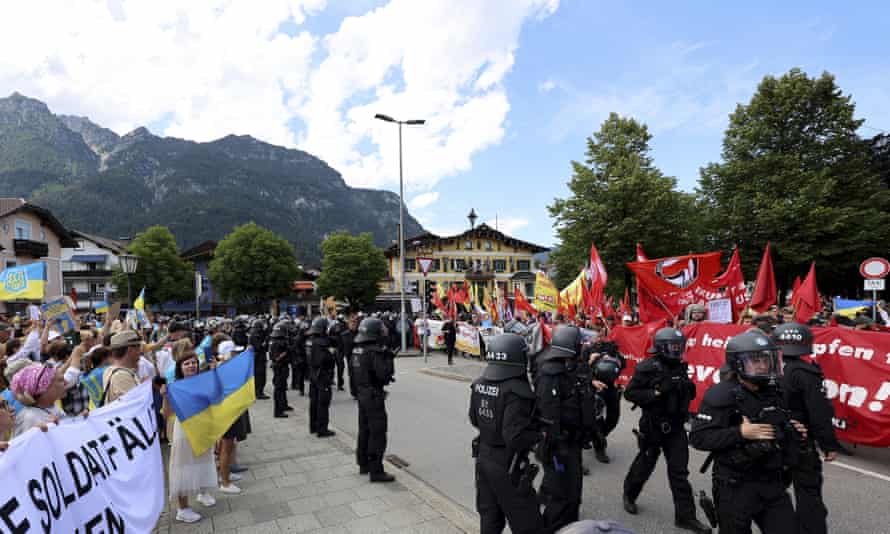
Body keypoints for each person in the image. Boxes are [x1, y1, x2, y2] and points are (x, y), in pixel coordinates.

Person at [690, 331, 805, 534]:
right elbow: (699, 438)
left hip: (772, 482)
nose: (762, 365)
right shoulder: (722, 395)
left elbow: (778, 424)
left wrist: (792, 429)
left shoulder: (775, 390)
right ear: (738, 364)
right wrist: (740, 433)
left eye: (765, 360)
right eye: (755, 360)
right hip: (735, 485)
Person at [623, 328, 710, 534]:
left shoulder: (681, 366)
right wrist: (656, 392)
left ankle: (685, 517)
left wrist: (686, 388)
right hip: (653, 426)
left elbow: (686, 393)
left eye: (680, 346)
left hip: (677, 427)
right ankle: (629, 494)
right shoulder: (647, 367)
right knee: (645, 464)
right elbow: (630, 393)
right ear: (661, 347)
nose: (677, 350)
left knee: (679, 473)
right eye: (673, 347)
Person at [469, 333, 544, 534]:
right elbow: (514, 436)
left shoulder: (478, 384)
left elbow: (474, 419)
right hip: (507, 464)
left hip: (483, 458)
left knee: (490, 518)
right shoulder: (517, 391)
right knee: (528, 523)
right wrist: (539, 435)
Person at [772, 323, 840, 534]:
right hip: (800, 443)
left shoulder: (765, 369)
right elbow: (818, 412)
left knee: (770, 494)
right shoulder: (806, 373)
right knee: (809, 497)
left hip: (772, 439)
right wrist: (828, 444)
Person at [533, 325, 586, 531]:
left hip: (570, 441)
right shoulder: (551, 373)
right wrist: (555, 446)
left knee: (572, 493)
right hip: (559, 445)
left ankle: (569, 527)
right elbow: (548, 413)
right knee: (563, 496)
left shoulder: (566, 367)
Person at [164, 350, 219, 523]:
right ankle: (182, 508)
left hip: (203, 428)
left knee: (203, 460)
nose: (191, 365)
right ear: (180, 367)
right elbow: (167, 413)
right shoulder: (175, 386)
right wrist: (165, 395)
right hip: (184, 431)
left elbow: (216, 398)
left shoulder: (203, 382)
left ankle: (202, 492)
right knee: (183, 467)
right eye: (187, 363)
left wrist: (216, 372)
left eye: (194, 362)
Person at [351, 317, 396, 482]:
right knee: (377, 433)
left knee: (364, 431)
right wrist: (389, 358)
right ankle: (376, 471)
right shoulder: (374, 351)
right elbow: (384, 375)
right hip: (373, 396)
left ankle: (363, 464)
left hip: (362, 393)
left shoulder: (357, 349)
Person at [587, 340, 625, 464]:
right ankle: (599, 446)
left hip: (611, 388)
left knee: (613, 418)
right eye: (596, 328)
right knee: (596, 419)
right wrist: (591, 363)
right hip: (595, 387)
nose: (599, 332)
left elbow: (622, 364)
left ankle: (596, 436)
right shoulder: (587, 349)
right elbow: (578, 369)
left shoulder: (613, 349)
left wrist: (614, 360)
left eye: (601, 327)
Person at [10, 363, 71, 436]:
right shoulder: (31, 418)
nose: (66, 382)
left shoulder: (50, 406)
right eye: (60, 380)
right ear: (43, 388)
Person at [306, 317, 335, 437]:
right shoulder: (321, 342)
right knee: (322, 403)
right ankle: (322, 429)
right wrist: (332, 353)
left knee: (314, 402)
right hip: (322, 375)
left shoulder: (310, 340)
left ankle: (313, 426)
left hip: (313, 374)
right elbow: (323, 359)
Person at [102, 330, 144, 405]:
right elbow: (137, 406)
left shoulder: (109, 370)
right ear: (130, 350)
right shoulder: (121, 376)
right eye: (138, 348)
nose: (140, 352)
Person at [269, 320, 291, 418]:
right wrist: (287, 352)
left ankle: (284, 405)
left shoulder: (274, 341)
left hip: (280, 367)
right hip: (280, 368)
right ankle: (278, 411)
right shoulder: (279, 343)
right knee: (279, 388)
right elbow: (278, 357)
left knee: (282, 387)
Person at [248, 317, 270, 399]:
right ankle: (259, 393)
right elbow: (260, 346)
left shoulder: (252, 333)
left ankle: (257, 391)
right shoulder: (256, 335)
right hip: (259, 357)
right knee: (260, 375)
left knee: (257, 375)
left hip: (256, 358)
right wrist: (265, 341)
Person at [341, 314, 358, 398]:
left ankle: (358, 391)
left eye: (355, 322)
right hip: (350, 357)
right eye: (351, 322)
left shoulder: (360, 333)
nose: (353, 324)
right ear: (348, 324)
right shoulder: (344, 334)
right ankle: (353, 391)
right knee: (352, 375)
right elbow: (341, 346)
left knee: (359, 374)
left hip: (359, 357)